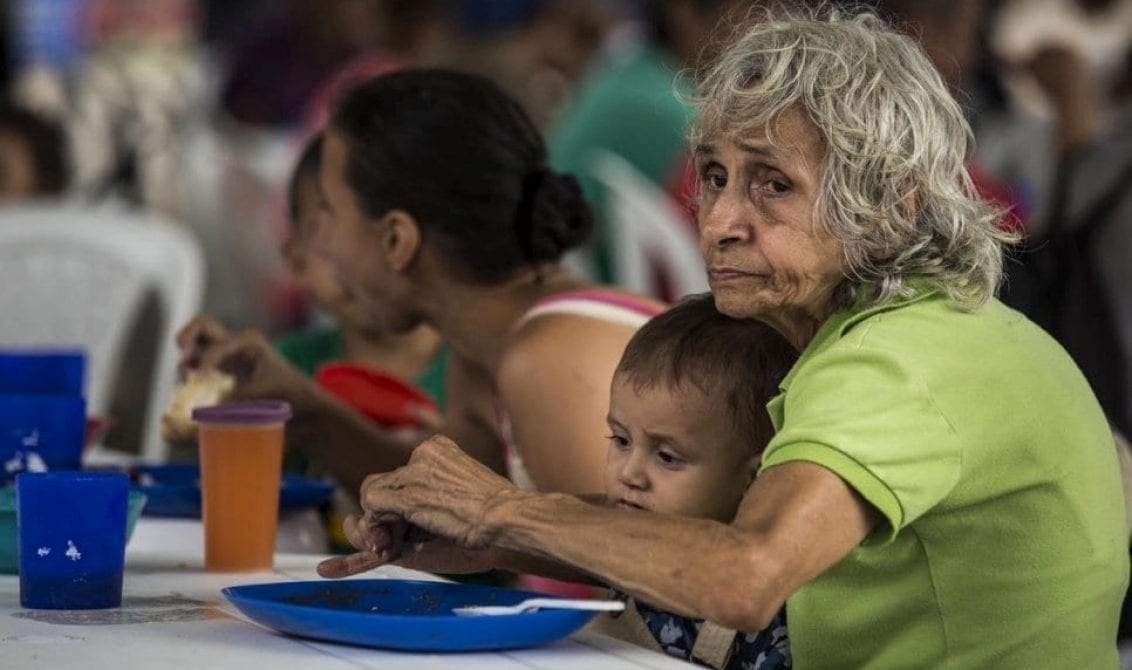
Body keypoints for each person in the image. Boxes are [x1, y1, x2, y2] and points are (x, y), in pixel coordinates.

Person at [318, 10, 1129, 668]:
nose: (721, 224)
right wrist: (495, 531)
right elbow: (720, 547)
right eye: (714, 176)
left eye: (773, 184)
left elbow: (746, 575)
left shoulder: (899, 359)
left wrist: (502, 511)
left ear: (893, 210)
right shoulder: (885, 327)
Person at [177, 69, 665, 505]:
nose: (318, 242)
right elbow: (440, 510)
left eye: (328, 210)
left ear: (396, 239)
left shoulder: (552, 357)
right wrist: (305, 408)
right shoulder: (478, 354)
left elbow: (626, 565)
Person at [593, 293, 795, 668]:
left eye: (667, 457)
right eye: (620, 440)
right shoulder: (628, 537)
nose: (629, 474)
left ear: (755, 478)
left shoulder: (766, 620)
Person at [275, 132, 448, 403]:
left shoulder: (477, 371)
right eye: (328, 242)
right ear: (297, 263)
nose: (360, 265)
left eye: (385, 238)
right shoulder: (282, 371)